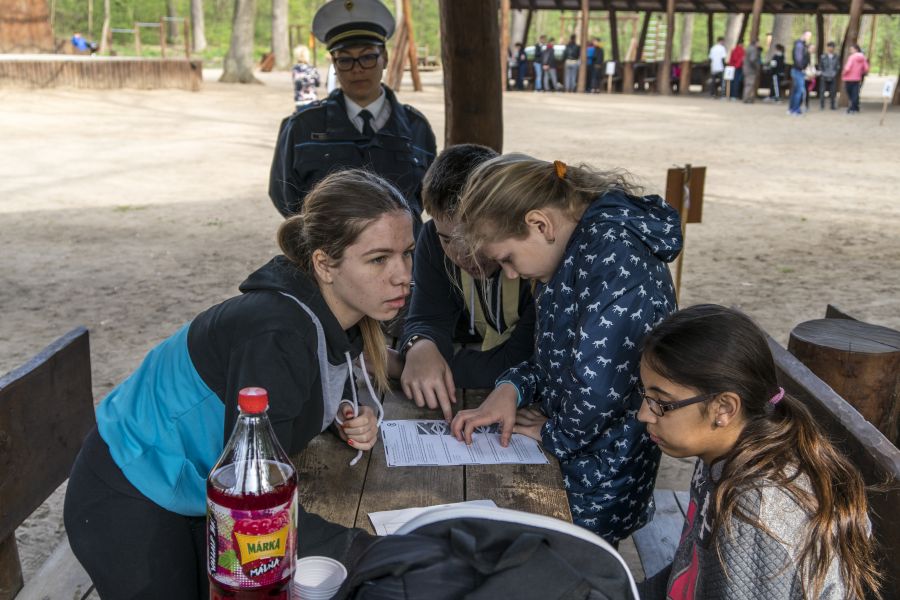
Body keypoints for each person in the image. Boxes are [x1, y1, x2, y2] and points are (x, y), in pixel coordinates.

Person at [64, 170, 414, 599]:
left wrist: (342, 413)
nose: (402, 275)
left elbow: (316, 384)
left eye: (408, 254)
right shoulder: (277, 332)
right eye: (379, 259)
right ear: (324, 264)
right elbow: (257, 502)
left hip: (194, 491)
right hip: (130, 492)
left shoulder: (334, 315)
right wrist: (369, 551)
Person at [450, 155, 682, 543]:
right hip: (574, 460)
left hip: (601, 479)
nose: (509, 273)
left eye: (507, 258)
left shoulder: (614, 257)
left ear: (540, 224)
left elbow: (599, 388)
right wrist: (511, 389)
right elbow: (552, 360)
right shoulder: (571, 256)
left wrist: (552, 435)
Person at [635, 305, 884, 600]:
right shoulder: (725, 453)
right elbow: (688, 568)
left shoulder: (752, 511)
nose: (643, 415)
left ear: (725, 408)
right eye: (645, 396)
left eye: (661, 403)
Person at [268, 0, 437, 229]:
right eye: (345, 60)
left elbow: (425, 197)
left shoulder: (416, 127)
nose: (357, 69)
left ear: (384, 58)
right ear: (334, 65)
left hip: (402, 261)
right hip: (332, 258)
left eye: (368, 57)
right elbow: (285, 197)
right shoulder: (303, 127)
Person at [397, 144, 536, 421]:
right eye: (447, 239)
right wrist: (420, 345)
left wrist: (397, 364)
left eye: (471, 238)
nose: (460, 254)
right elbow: (427, 315)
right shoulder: (432, 240)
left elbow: (518, 362)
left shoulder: (534, 261)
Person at [789, 30, 812, 115]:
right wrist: (802, 68)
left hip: (797, 69)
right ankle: (795, 109)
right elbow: (798, 58)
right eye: (808, 35)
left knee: (795, 90)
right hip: (798, 70)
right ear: (804, 35)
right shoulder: (799, 45)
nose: (809, 38)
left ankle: (792, 108)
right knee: (800, 90)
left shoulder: (801, 45)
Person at [842, 44, 870, 114]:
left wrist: (843, 73)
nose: (850, 50)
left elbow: (847, 67)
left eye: (851, 49)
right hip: (857, 78)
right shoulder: (863, 57)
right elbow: (866, 68)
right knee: (855, 93)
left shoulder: (852, 57)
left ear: (856, 49)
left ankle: (852, 108)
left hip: (849, 78)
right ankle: (855, 107)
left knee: (851, 93)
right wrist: (860, 72)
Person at [291, 45, 320, 109]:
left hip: (300, 100)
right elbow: (318, 83)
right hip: (312, 99)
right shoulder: (312, 68)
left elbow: (297, 84)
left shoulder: (295, 69)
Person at [819, 41, 840, 110]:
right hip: (824, 76)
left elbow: (838, 66)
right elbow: (820, 66)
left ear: (834, 48)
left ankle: (832, 105)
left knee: (833, 91)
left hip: (833, 76)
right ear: (827, 48)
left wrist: (835, 73)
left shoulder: (836, 57)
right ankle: (822, 105)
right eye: (829, 47)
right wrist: (823, 73)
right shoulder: (823, 57)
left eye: (832, 47)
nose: (830, 49)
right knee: (822, 91)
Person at [742, 38, 761, 103]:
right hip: (751, 70)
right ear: (756, 43)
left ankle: (750, 97)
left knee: (749, 84)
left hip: (746, 68)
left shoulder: (748, 48)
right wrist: (757, 67)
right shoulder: (753, 49)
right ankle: (746, 98)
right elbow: (752, 59)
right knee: (750, 84)